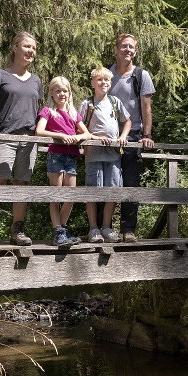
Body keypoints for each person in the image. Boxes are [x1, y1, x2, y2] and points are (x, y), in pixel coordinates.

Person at [0, 31, 41, 247]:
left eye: (33, 48)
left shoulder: (36, 80)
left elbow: (37, 111)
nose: (31, 51)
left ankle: (17, 230)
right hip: (4, 137)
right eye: (27, 46)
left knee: (22, 184)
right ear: (15, 48)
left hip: (29, 139)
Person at [109, 33, 156, 242]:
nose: (128, 50)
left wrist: (147, 135)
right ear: (116, 49)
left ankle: (128, 230)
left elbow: (146, 108)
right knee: (106, 182)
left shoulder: (141, 75)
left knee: (130, 182)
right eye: (124, 46)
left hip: (134, 134)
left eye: (132, 47)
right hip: (108, 135)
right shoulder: (108, 73)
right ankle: (105, 229)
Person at [35, 76, 90, 247]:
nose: (61, 94)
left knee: (71, 196)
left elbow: (86, 134)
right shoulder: (48, 111)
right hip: (56, 156)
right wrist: (59, 135)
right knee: (56, 195)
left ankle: (63, 230)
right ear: (51, 93)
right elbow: (39, 131)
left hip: (71, 157)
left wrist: (76, 137)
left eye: (65, 90)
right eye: (57, 90)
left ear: (69, 92)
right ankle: (58, 231)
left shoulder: (74, 114)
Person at [80, 67, 130, 244]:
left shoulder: (115, 102)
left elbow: (127, 121)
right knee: (92, 191)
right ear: (93, 83)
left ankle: (107, 227)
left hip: (114, 154)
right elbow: (79, 125)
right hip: (93, 154)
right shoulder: (87, 104)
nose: (104, 83)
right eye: (100, 80)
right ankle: (94, 228)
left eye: (107, 80)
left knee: (113, 191)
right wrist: (94, 137)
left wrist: (123, 137)